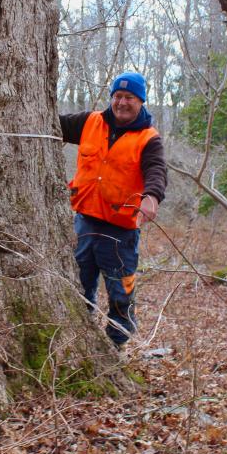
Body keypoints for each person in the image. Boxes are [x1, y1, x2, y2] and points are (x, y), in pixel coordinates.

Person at [59, 71, 168, 348]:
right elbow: (48, 124)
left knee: (121, 293)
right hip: (84, 222)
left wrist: (151, 198)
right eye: (117, 96)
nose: (121, 103)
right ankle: (79, 340)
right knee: (78, 286)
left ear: (140, 101)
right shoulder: (90, 122)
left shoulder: (148, 139)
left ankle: (116, 345)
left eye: (129, 98)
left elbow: (156, 171)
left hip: (121, 233)